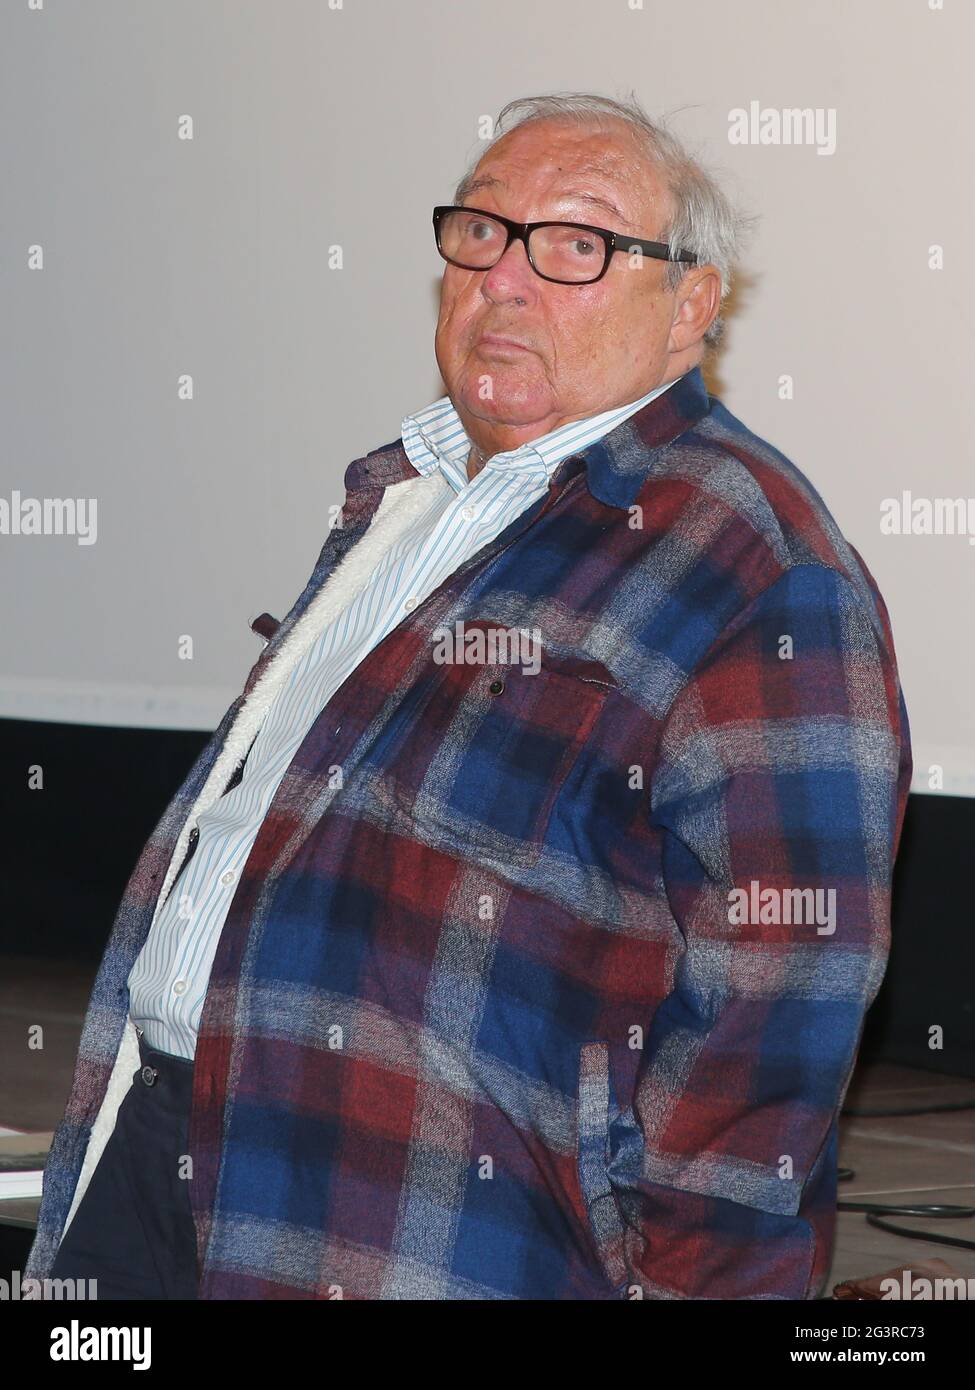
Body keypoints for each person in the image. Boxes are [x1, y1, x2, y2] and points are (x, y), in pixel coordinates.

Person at [27, 91, 911, 1300]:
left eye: (578, 244)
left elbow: (784, 991)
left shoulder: (754, 564)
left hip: (415, 1226)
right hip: (153, 1151)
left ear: (691, 306)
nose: (506, 276)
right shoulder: (402, 500)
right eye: (483, 231)